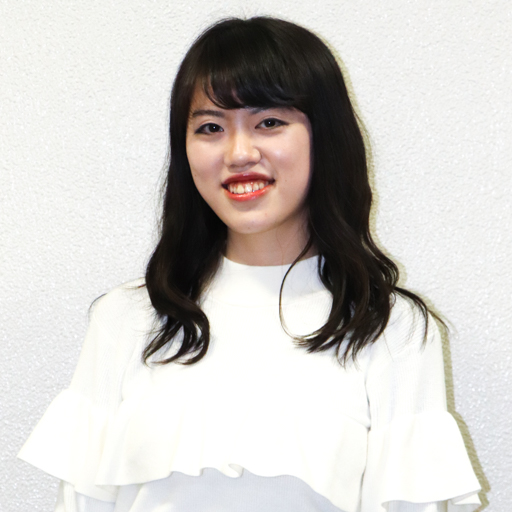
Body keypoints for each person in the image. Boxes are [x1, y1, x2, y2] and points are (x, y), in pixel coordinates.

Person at [19, 16, 481, 512]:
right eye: (211, 128)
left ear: (324, 136)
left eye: (269, 122)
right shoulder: (127, 318)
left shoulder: (390, 329)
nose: (239, 153)